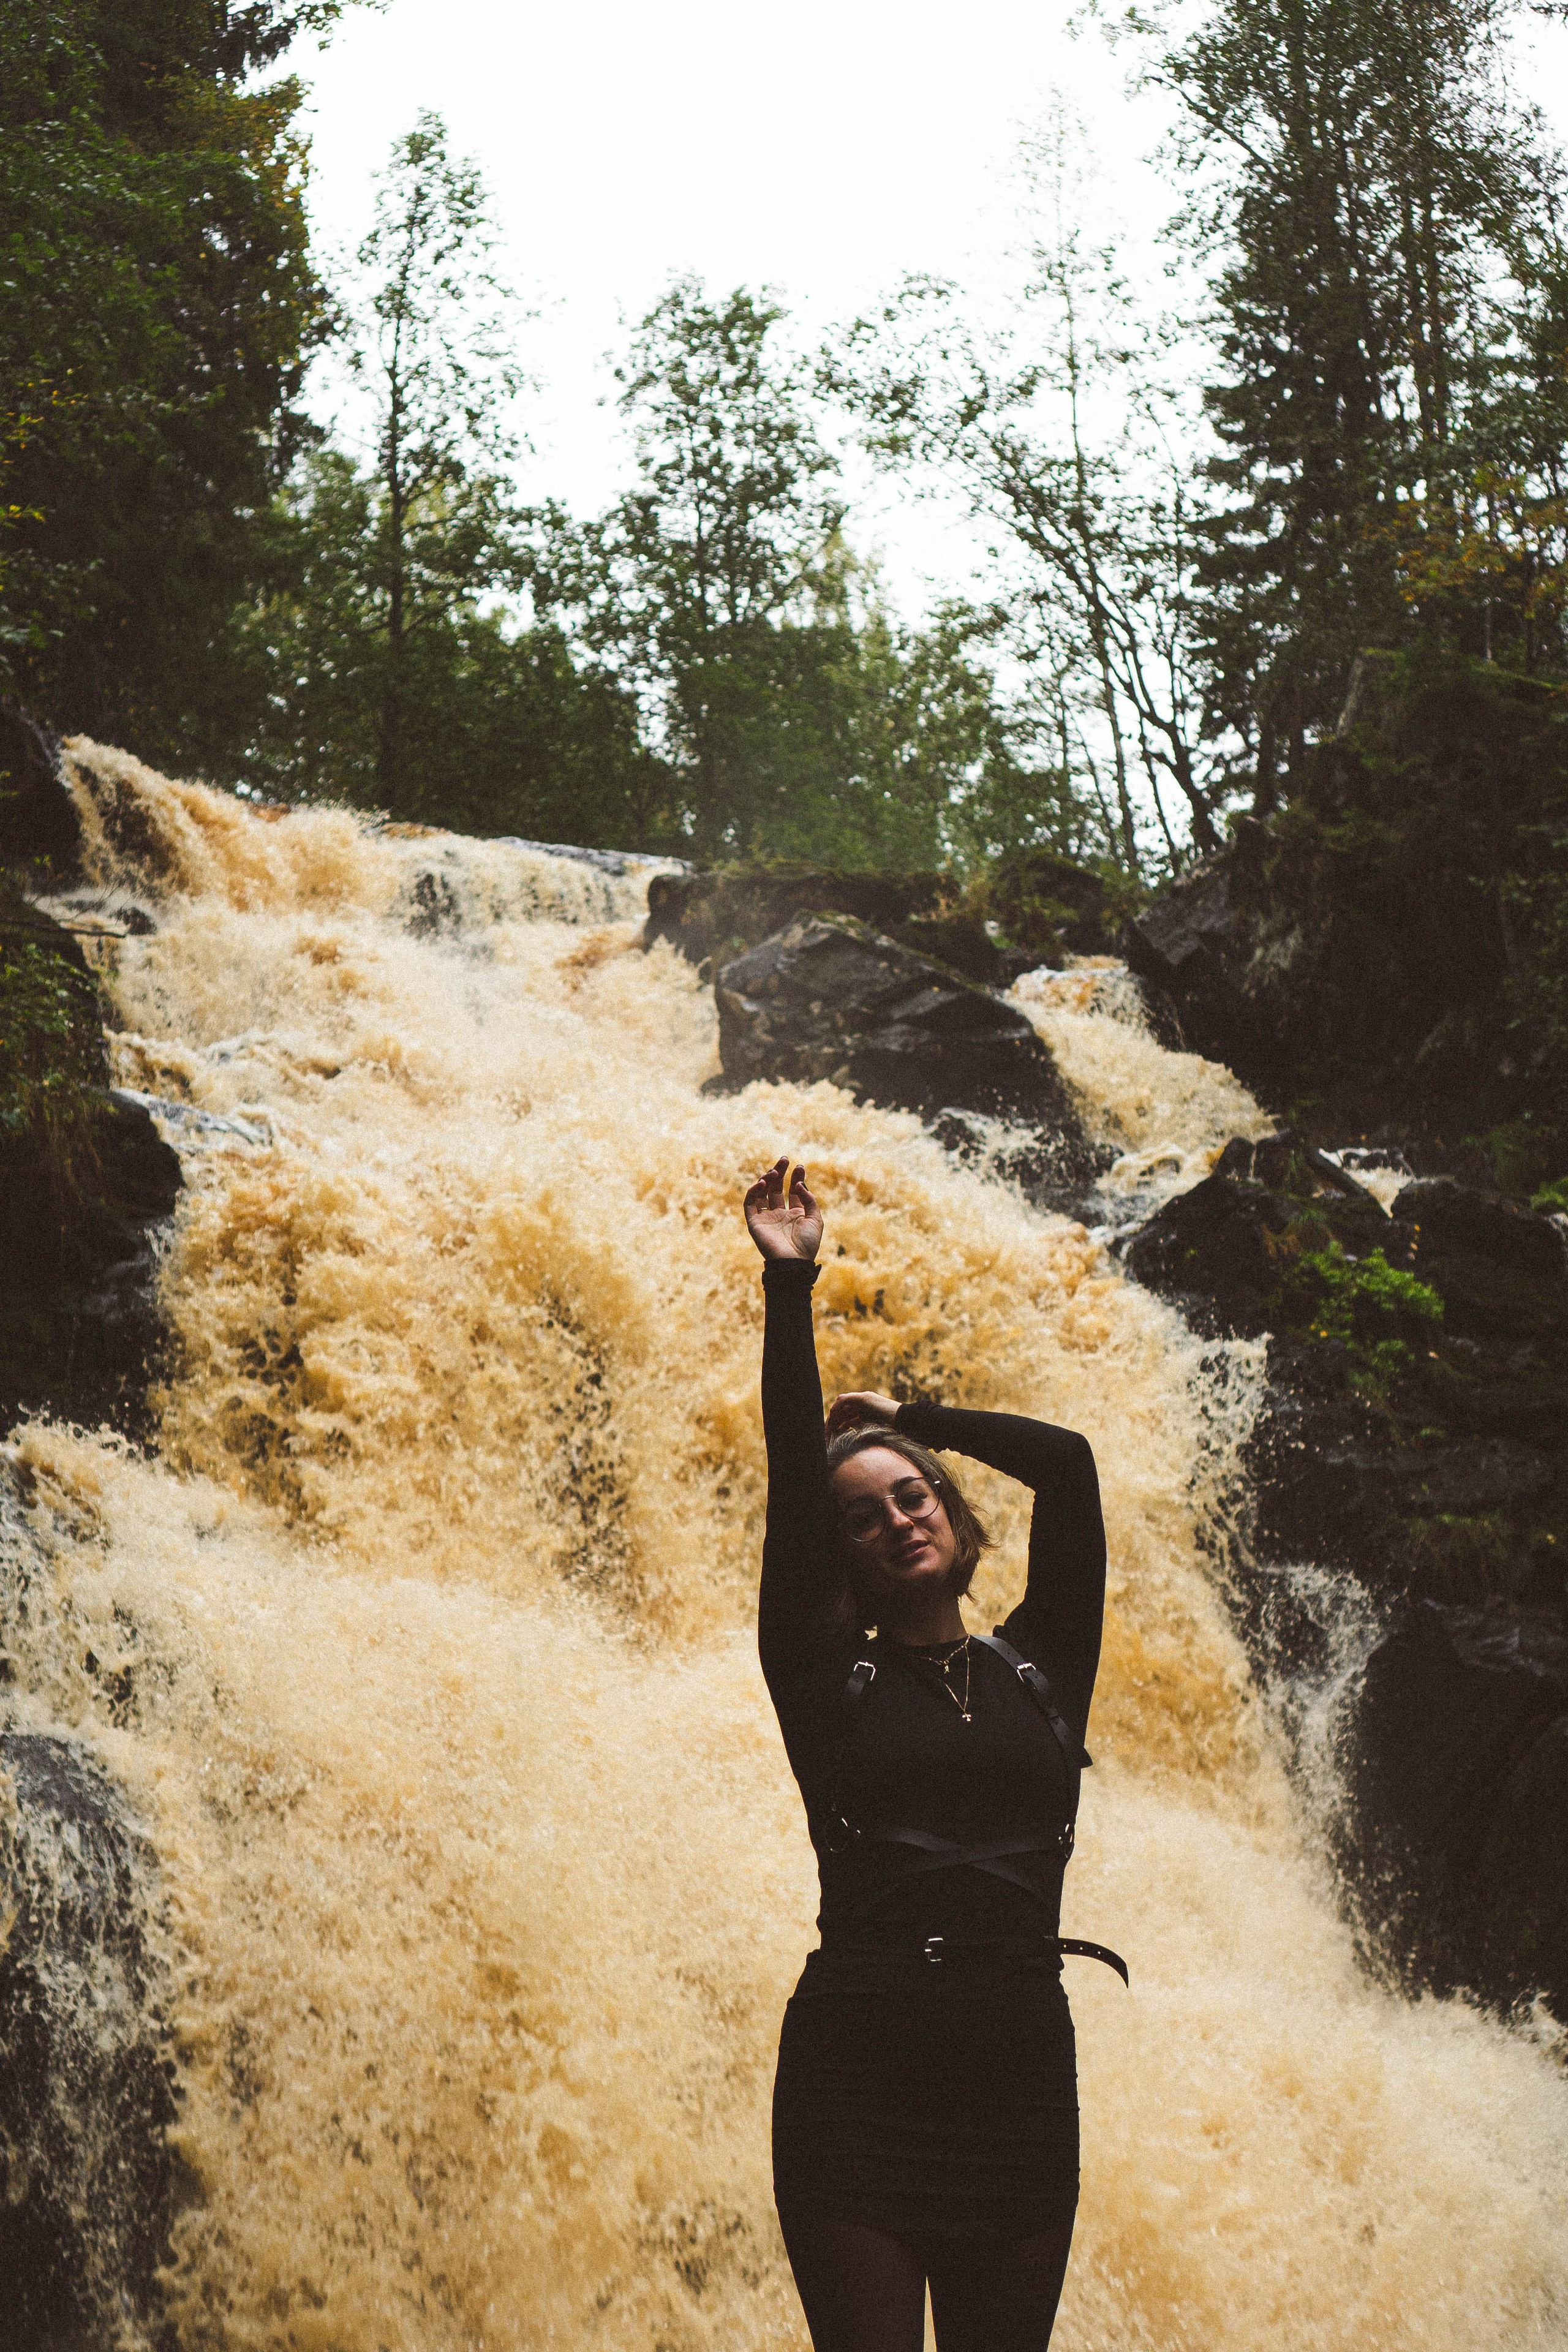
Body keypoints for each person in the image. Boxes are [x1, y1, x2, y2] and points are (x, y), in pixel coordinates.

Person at [744, 1154, 1116, 2352]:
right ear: (838, 1555)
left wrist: (906, 1422)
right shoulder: (820, 1679)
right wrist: (789, 1291)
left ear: (952, 1519)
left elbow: (1065, 1466)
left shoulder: (1041, 1663)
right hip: (857, 2085)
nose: (894, 1519)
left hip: (1016, 2086)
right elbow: (790, 1488)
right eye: (861, 1515)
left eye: (912, 1499)